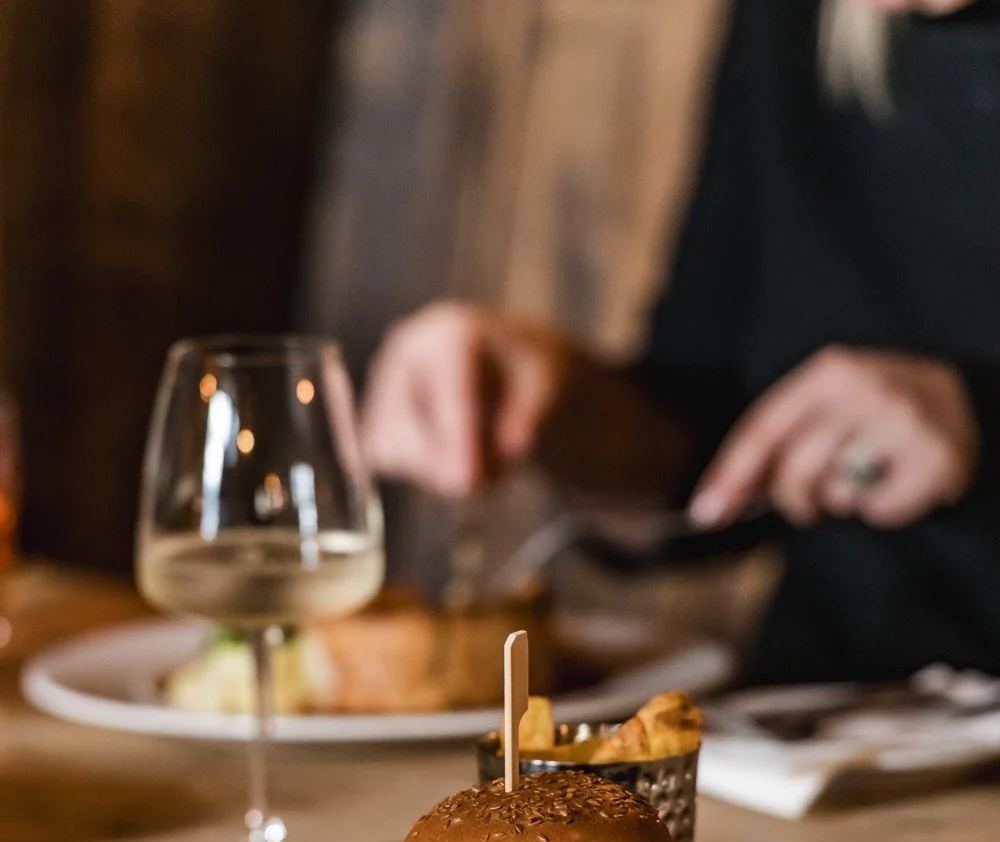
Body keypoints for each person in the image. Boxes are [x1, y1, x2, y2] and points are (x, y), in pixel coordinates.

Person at [361, 0, 1000, 686]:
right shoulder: (788, 23)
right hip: (846, 711)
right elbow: (708, 444)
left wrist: (979, 420)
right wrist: (564, 403)